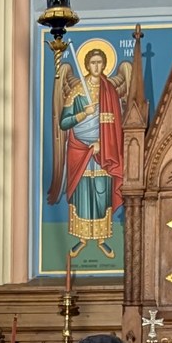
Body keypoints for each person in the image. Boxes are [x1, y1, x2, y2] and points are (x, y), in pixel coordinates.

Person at [50, 43, 127, 251]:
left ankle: (102, 238)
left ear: (104, 64)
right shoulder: (76, 92)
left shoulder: (110, 91)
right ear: (86, 65)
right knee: (82, 192)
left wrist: (102, 144)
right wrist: (85, 113)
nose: (96, 66)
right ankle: (82, 238)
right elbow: (64, 123)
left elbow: (117, 126)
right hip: (79, 148)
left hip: (103, 150)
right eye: (93, 62)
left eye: (100, 62)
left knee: (101, 191)